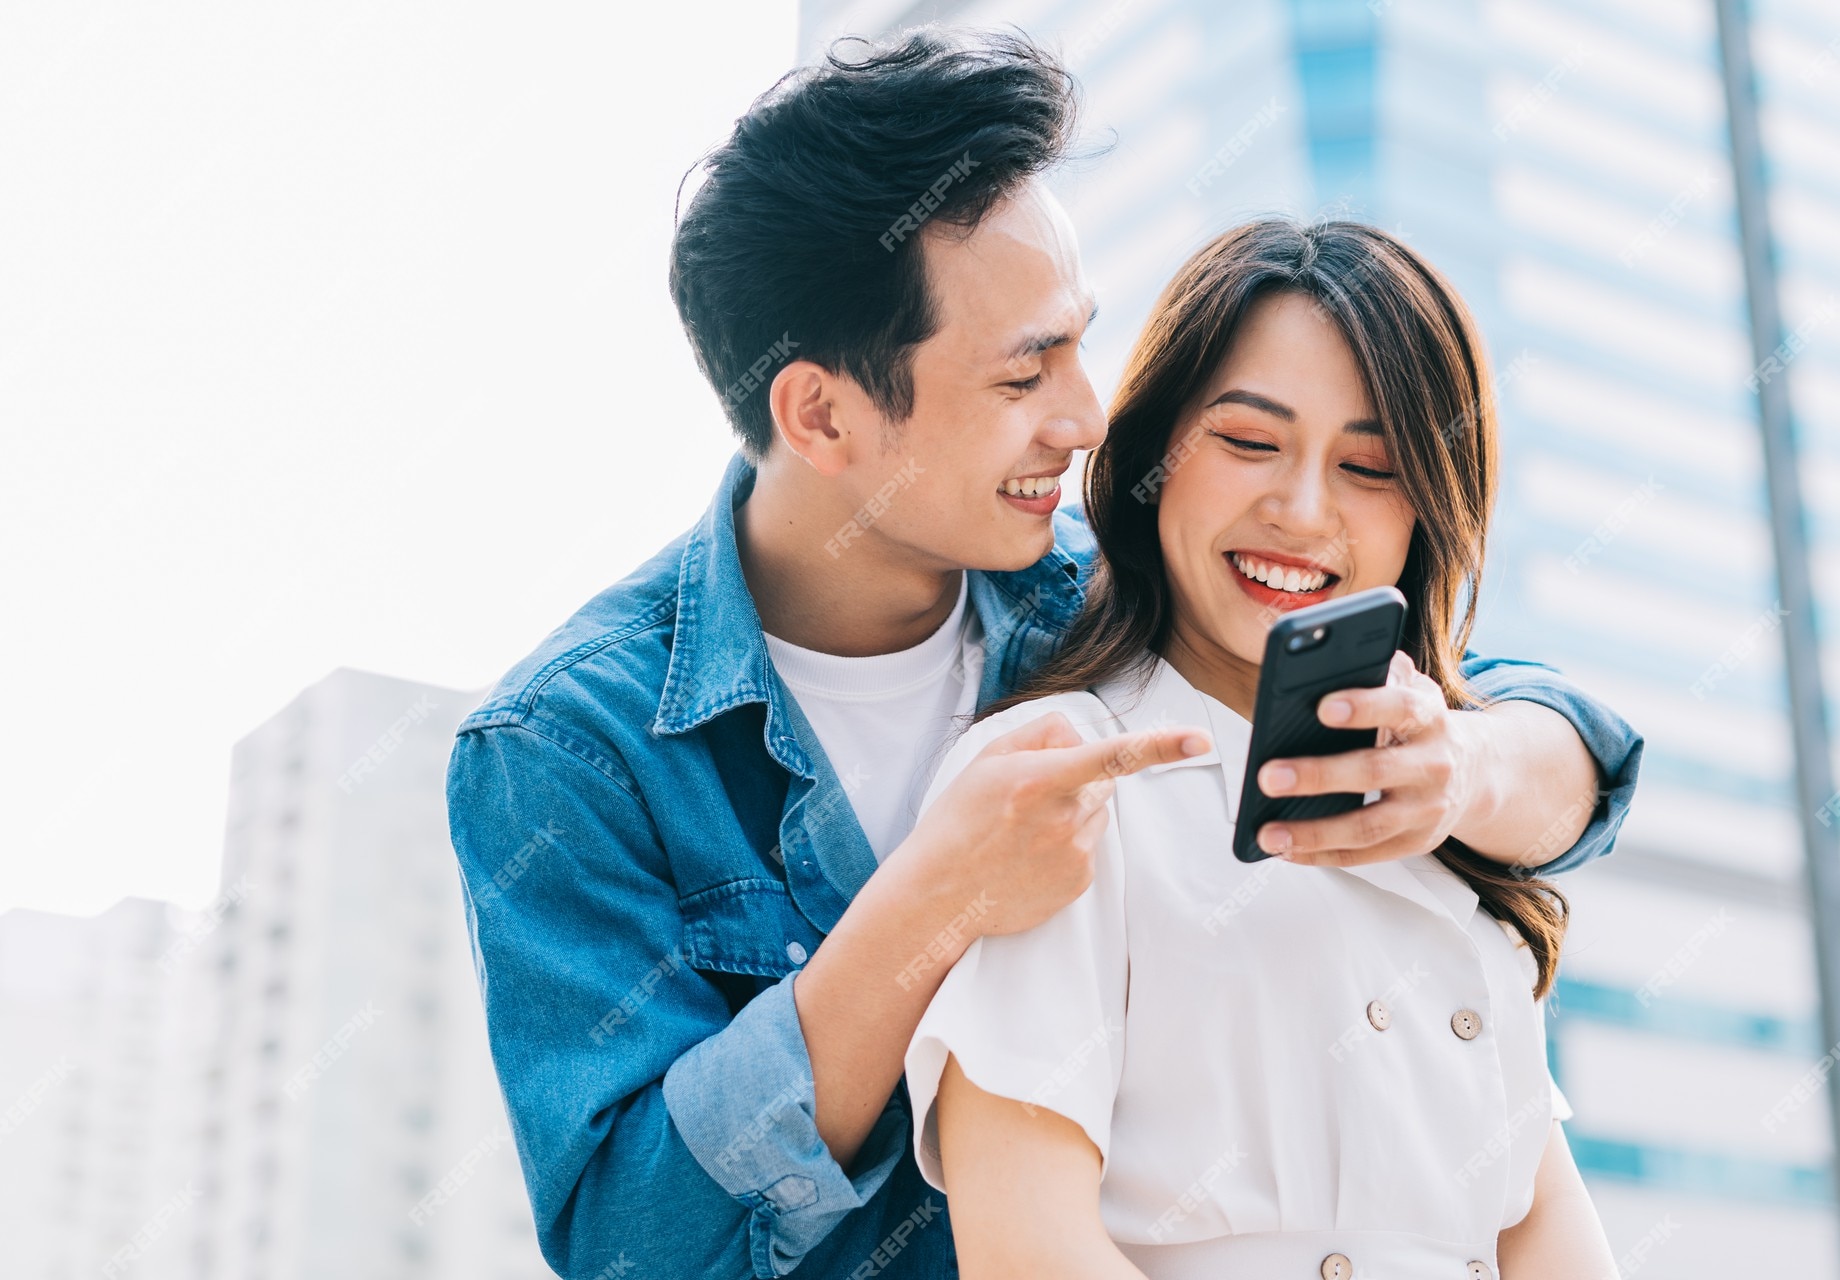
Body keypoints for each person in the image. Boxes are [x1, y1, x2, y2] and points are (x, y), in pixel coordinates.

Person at [443, 30, 1644, 1280]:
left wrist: (1468, 767)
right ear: (821, 413)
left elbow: (1555, 736)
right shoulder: (565, 748)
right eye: (1025, 373)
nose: (1084, 417)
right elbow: (631, 1240)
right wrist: (933, 899)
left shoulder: (1113, 583)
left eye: (1077, 341)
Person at [904, 219, 1629, 1278]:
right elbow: (1026, 1245)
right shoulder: (1050, 775)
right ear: (1154, 454)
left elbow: (1538, 1216)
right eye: (1248, 442)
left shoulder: (1430, 796)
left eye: (1369, 465)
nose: (1300, 509)